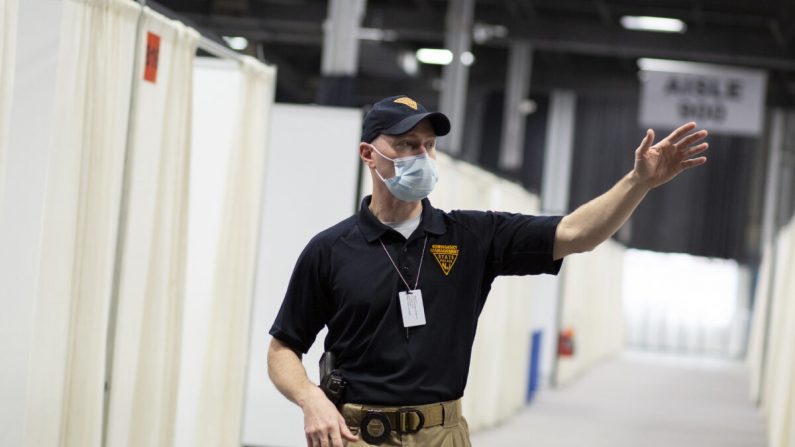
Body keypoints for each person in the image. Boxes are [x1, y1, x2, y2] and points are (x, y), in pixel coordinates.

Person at [267, 95, 708, 447]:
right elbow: (283, 348)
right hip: (357, 434)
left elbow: (577, 233)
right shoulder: (330, 250)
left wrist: (638, 183)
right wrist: (311, 400)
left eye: (427, 145)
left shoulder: (472, 235)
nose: (421, 155)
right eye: (405, 145)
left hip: (442, 435)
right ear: (369, 154)